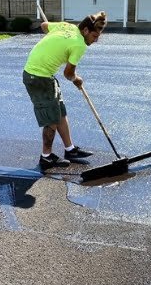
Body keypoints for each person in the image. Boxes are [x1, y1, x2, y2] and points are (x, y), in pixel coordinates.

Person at [22, 11, 107, 169]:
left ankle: (70, 150)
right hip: (38, 77)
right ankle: (46, 157)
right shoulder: (79, 44)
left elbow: (44, 26)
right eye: (95, 36)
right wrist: (77, 79)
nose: (95, 41)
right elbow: (68, 73)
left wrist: (55, 39)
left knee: (60, 112)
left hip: (43, 75)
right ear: (86, 31)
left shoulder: (65, 26)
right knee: (51, 118)